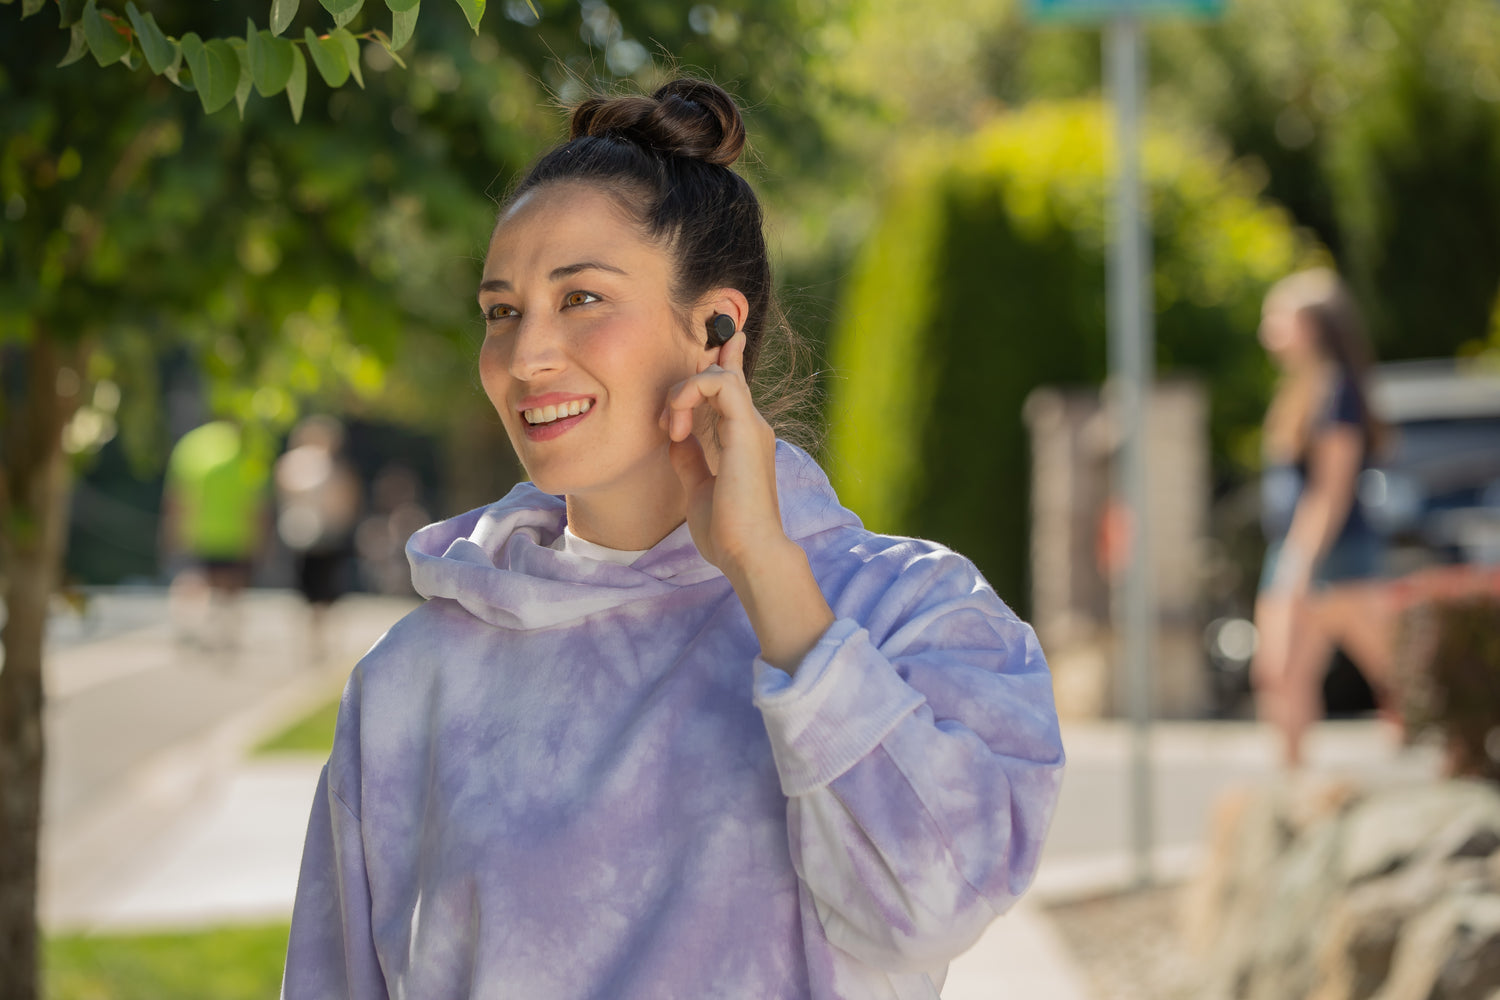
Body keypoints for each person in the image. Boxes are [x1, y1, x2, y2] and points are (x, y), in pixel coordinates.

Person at [282, 78, 1064, 999]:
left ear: (715, 332)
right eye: (502, 310)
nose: (526, 354)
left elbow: (929, 909)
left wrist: (765, 573)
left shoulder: (912, 612)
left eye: (580, 299)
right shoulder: (412, 676)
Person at [1251, 268, 1384, 767]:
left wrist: (1299, 564)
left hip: (1334, 554)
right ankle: (1295, 788)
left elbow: (1331, 489)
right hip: (1291, 548)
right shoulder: (1299, 390)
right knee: (1278, 674)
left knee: (1397, 671)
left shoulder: (1338, 393)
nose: (1268, 329)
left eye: (1278, 317)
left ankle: (1458, 761)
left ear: (1312, 326)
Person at [161, 418, 269, 653]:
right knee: (230, 588)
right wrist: (258, 536)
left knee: (194, 580)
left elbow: (178, 495)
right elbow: (255, 501)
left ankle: (194, 630)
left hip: (199, 531)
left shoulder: (191, 444)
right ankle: (224, 634)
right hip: (236, 533)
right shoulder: (246, 449)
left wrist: (173, 529)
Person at [274, 415, 363, 662]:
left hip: (313, 535)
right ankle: (317, 642)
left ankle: (316, 642)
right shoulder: (322, 466)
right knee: (318, 592)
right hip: (315, 536)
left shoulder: (295, 464)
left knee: (318, 593)